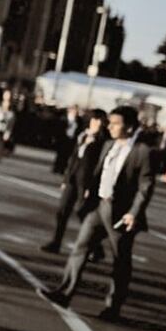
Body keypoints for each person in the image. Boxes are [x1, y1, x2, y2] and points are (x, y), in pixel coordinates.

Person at [38, 106, 155, 321]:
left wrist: (133, 213)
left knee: (120, 261)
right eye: (110, 122)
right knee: (80, 247)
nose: (110, 127)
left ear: (129, 127)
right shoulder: (109, 145)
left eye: (116, 123)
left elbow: (145, 187)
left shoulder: (142, 152)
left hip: (121, 214)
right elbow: (97, 171)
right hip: (99, 207)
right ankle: (65, 292)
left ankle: (113, 307)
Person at [41, 108, 108, 254]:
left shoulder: (102, 141)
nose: (97, 123)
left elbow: (99, 166)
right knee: (62, 211)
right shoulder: (83, 135)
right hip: (73, 178)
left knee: (82, 213)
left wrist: (91, 186)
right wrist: (66, 178)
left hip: (86, 182)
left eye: (100, 121)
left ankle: (97, 248)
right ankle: (56, 242)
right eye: (95, 120)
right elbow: (73, 158)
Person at [53, 105, 82, 174]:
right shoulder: (64, 118)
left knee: (67, 155)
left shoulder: (79, 120)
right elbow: (59, 128)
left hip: (71, 139)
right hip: (63, 138)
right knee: (60, 154)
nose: (75, 112)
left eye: (76, 111)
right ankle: (57, 167)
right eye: (74, 110)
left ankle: (62, 168)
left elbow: (79, 129)